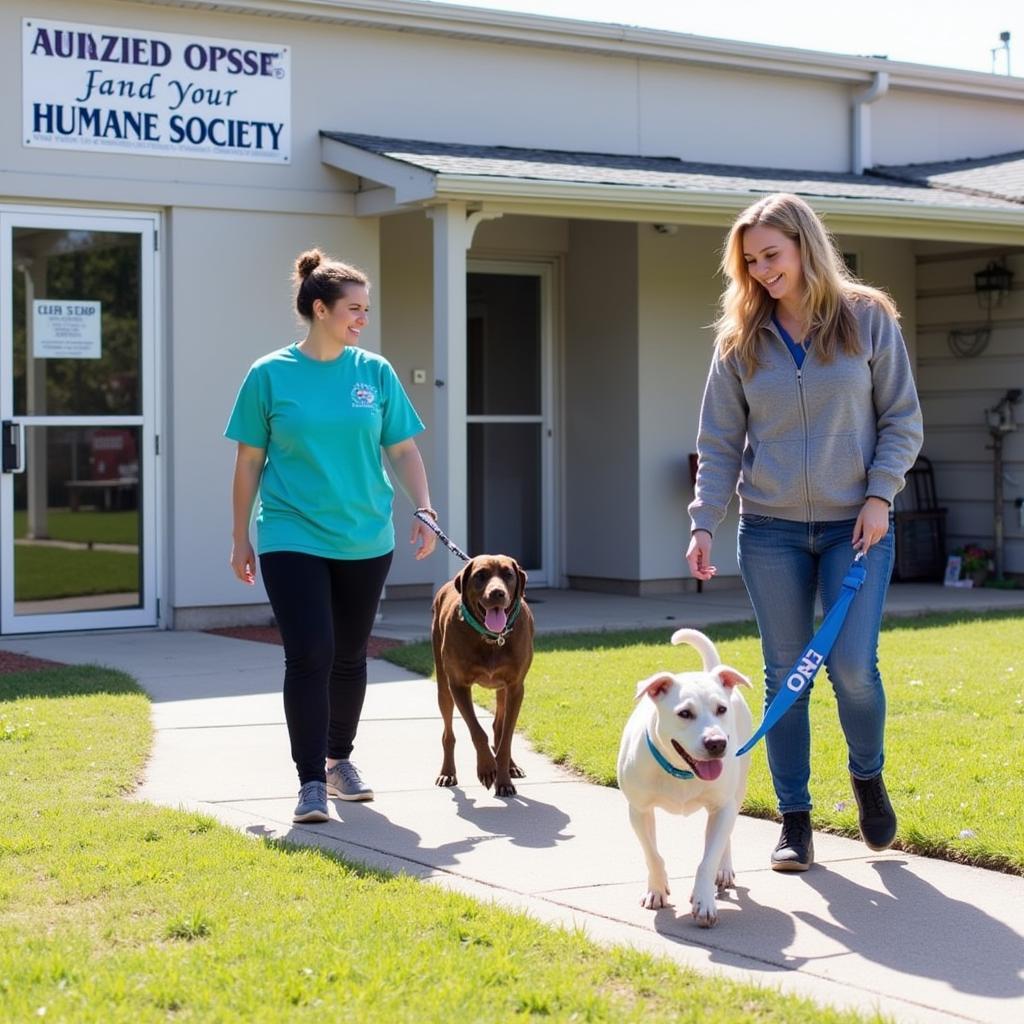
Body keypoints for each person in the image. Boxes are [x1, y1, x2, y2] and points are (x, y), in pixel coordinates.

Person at [686, 193, 923, 872]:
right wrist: (704, 523)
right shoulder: (739, 339)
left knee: (852, 666)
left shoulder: (866, 320)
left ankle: (867, 774)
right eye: (750, 261)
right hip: (770, 530)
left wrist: (880, 497)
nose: (761, 271)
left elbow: (903, 420)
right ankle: (795, 820)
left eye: (772, 255)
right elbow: (720, 441)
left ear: (804, 246)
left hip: (859, 528)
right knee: (787, 676)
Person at [226, 249, 436, 824]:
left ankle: (339, 760)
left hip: (365, 535)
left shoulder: (376, 372)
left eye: (366, 310)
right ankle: (310, 781)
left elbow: (402, 448)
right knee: (310, 653)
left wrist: (425, 508)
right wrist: (241, 536)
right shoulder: (269, 374)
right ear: (320, 309)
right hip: (290, 532)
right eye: (353, 309)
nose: (362, 320)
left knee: (348, 655)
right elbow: (248, 463)